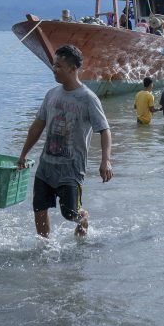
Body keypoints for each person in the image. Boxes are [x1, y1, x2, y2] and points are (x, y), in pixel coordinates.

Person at [16, 45, 112, 238]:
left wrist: (105, 161)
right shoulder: (51, 94)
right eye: (54, 65)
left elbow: (104, 130)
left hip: (71, 169)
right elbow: (37, 126)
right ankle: (45, 246)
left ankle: (83, 217)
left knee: (70, 214)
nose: (54, 69)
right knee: (39, 209)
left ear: (73, 68)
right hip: (46, 165)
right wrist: (23, 153)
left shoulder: (88, 98)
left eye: (59, 66)